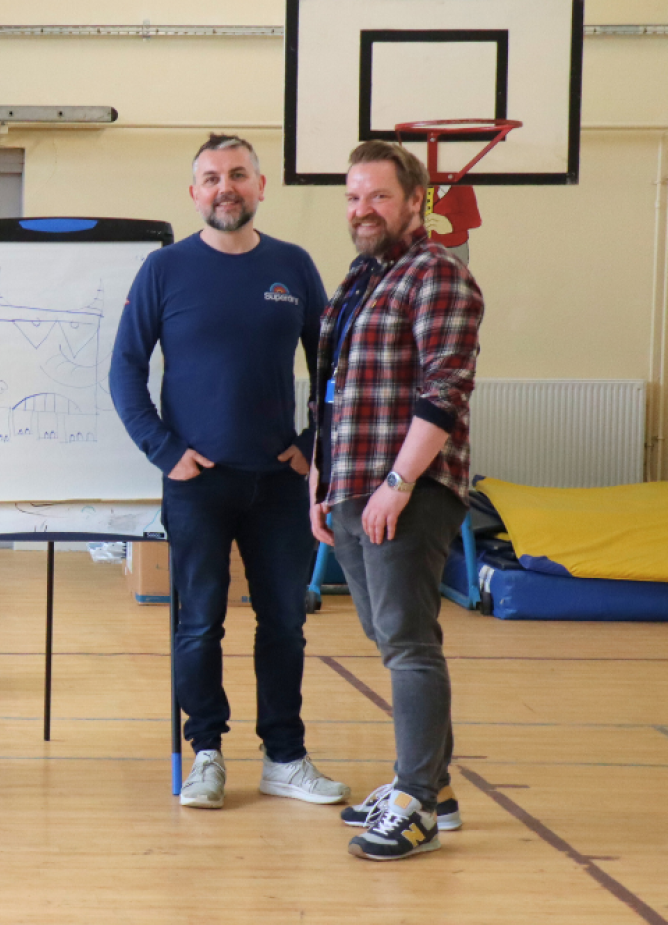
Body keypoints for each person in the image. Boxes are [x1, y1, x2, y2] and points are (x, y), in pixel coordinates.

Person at [111, 134, 349, 810]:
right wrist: (164, 451)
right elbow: (125, 369)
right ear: (194, 194)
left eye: (238, 175)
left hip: (279, 484)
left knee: (284, 623)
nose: (226, 187)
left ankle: (284, 757)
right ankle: (206, 755)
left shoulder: (293, 267)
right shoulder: (164, 270)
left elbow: (334, 371)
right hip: (198, 485)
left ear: (261, 186)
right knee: (199, 624)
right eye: (212, 177)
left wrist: (314, 443)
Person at [310, 140, 483, 861]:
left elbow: (443, 389)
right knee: (391, 640)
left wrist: (397, 482)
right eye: (353, 197)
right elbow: (331, 391)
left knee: (410, 646)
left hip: (405, 491)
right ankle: (432, 790)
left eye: (378, 196)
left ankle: (415, 802)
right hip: (350, 487)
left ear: (416, 201)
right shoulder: (359, 279)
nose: (362, 209)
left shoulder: (438, 274)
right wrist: (319, 484)